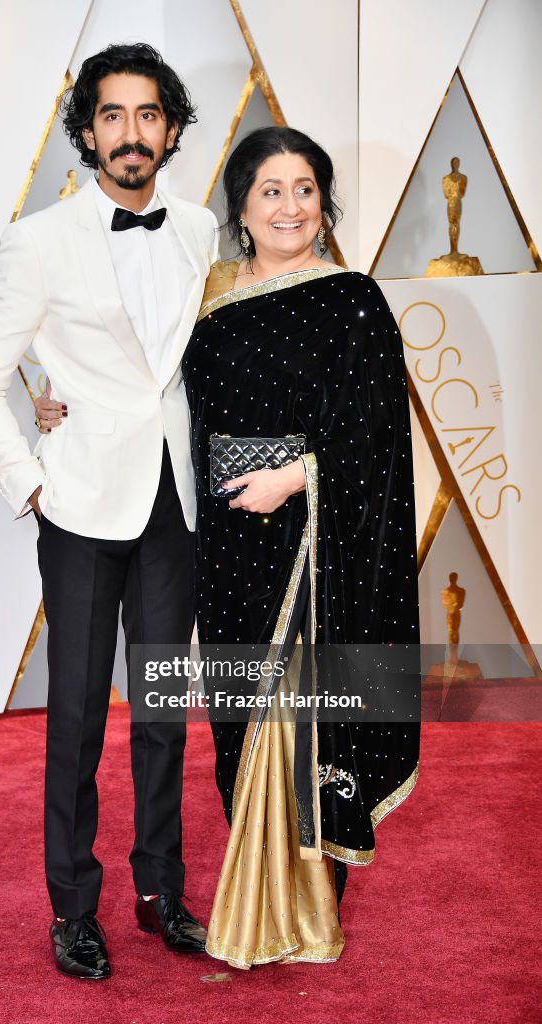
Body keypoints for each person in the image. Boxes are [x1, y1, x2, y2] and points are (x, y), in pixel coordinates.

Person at [0, 43, 218, 981]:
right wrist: (29, 479)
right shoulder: (41, 238)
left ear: (171, 130)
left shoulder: (199, 231)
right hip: (75, 506)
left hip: (173, 504)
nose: (130, 133)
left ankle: (162, 893)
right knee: (73, 715)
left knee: (161, 713)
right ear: (87, 131)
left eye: (148, 115)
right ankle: (73, 907)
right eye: (111, 116)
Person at [182, 127, 420, 968]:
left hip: (312, 540)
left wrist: (293, 480)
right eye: (271, 190)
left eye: (306, 189)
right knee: (240, 721)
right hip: (226, 542)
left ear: (324, 204)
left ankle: (304, 914)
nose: (291, 206)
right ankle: (259, 895)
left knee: (309, 720)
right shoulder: (207, 293)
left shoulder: (350, 297)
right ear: (241, 208)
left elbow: (377, 435)